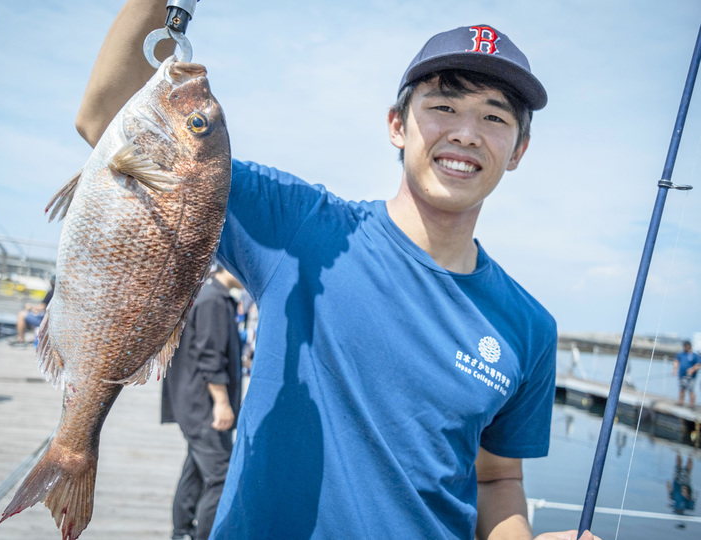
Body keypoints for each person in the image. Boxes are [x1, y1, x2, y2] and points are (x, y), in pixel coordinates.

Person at [77, 3, 601, 539]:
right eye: (444, 106)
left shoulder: (530, 327)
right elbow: (106, 120)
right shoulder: (303, 227)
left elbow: (496, 478)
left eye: (494, 117)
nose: (467, 133)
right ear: (397, 125)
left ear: (518, 150)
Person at [161, 264, 243, 540]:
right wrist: (222, 402)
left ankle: (182, 532)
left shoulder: (206, 295)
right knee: (221, 476)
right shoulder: (214, 301)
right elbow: (210, 356)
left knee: (195, 469)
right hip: (204, 406)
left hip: (191, 403)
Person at [11, 276, 55, 346]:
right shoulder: (60, 294)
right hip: (51, 320)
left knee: (21, 314)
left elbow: (42, 307)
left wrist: (30, 306)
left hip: (47, 321)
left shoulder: (51, 292)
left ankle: (21, 339)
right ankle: (34, 338)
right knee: (35, 314)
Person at [673, 341, 700, 408]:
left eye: (688, 346)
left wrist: (692, 369)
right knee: (682, 389)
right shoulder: (680, 354)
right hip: (681, 375)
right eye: (685, 346)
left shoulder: (695, 355)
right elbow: (676, 362)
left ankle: (692, 405)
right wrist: (674, 370)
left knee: (691, 390)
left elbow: (698, 365)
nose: (687, 347)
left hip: (691, 377)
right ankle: (680, 402)